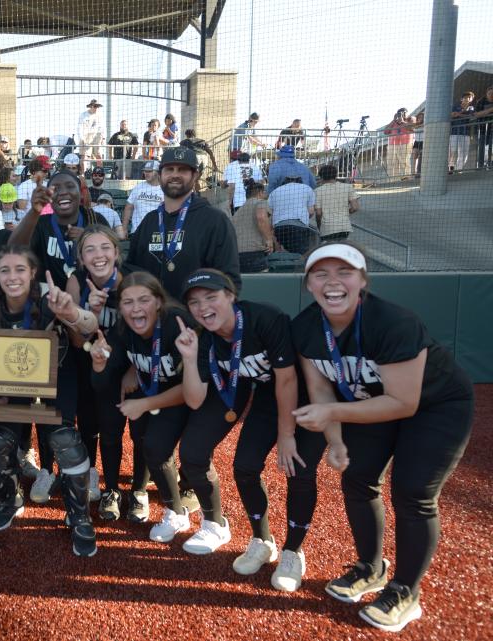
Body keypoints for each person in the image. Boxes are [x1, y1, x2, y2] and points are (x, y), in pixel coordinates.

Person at [291, 242, 473, 632]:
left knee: (413, 493)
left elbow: (404, 404)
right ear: (308, 285)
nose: (333, 282)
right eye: (321, 274)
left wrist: (332, 414)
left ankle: (406, 590)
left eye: (345, 272)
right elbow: (321, 391)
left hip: (435, 405)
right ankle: (370, 567)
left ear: (362, 281)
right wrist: (336, 442)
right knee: (357, 479)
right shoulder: (305, 327)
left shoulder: (393, 322)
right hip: (371, 403)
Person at [175, 268, 329, 591]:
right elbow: (195, 399)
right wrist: (189, 359)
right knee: (244, 466)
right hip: (268, 398)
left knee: (299, 472)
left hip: (307, 397)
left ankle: (293, 551)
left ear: (231, 296)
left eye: (211, 297)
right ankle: (263, 540)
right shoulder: (205, 339)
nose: (203, 308)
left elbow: (288, 379)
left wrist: (287, 435)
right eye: (194, 303)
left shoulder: (264, 318)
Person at [0, 245, 99, 556]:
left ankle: (78, 515)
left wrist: (70, 312)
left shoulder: (52, 298)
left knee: (66, 443)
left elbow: (88, 328)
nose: (12, 276)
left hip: (58, 379)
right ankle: (9, 499)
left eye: (20, 269)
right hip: (15, 384)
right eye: (5, 270)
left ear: (32, 273)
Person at [89, 272, 196, 540]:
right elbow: (102, 383)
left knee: (170, 446)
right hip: (153, 391)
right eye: (127, 302)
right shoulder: (123, 329)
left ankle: (142, 491)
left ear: (159, 302)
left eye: (144, 300)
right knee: (135, 433)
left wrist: (146, 402)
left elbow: (193, 390)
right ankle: (116, 491)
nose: (135, 308)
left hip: (191, 395)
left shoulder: (179, 324)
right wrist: (99, 364)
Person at [62, 225, 141, 519]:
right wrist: (92, 315)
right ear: (81, 258)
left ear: (116, 252)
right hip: (88, 363)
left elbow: (144, 332)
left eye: (105, 247)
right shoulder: (76, 282)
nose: (98, 255)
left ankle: (122, 490)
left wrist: (133, 367)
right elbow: (75, 338)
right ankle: (93, 476)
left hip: (124, 367)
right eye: (90, 249)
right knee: (88, 425)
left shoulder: (130, 282)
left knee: (118, 430)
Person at [126, 147, 241, 299]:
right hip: (154, 318)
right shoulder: (149, 221)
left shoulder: (215, 221)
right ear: (160, 176)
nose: (175, 175)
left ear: (195, 176)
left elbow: (229, 281)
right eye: (169, 169)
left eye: (182, 170)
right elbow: (133, 272)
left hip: (195, 318)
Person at [231, 183, 275, 273]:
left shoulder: (237, 212)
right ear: (260, 192)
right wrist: (269, 240)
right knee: (261, 284)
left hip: (236, 256)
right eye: (264, 192)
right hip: (255, 253)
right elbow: (261, 217)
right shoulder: (260, 202)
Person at [269, 177, 318, 256]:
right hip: (299, 227)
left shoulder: (274, 192)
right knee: (301, 255)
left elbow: (270, 214)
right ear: (300, 182)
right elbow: (311, 211)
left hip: (279, 228)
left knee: (285, 254)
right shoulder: (307, 188)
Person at [314, 165, 359, 242]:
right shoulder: (347, 187)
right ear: (335, 175)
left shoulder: (317, 191)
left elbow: (318, 213)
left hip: (327, 228)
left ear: (321, 177)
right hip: (344, 227)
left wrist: (319, 226)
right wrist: (345, 213)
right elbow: (355, 207)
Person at [123, 160, 163, 235]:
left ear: (158, 172)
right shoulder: (138, 187)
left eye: (149, 171)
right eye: (145, 171)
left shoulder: (164, 189)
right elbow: (128, 207)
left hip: (157, 232)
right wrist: (124, 228)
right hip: (137, 231)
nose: (146, 173)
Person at [384, 109, 415, 179]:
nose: (401, 115)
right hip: (393, 145)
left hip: (406, 143)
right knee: (392, 162)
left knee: (404, 161)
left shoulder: (411, 119)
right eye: (399, 113)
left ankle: (406, 178)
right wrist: (393, 120)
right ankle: (393, 180)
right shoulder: (394, 122)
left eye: (403, 113)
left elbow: (412, 128)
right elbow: (385, 131)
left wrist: (402, 121)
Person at [449, 92, 475, 172]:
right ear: (461, 99)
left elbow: (471, 116)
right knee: (453, 152)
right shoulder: (455, 106)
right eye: (465, 97)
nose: (467, 99)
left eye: (469, 97)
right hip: (454, 133)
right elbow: (452, 115)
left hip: (465, 134)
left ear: (471, 100)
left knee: (463, 154)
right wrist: (462, 112)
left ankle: (458, 170)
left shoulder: (471, 108)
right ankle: (451, 169)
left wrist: (459, 114)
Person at [474, 86, 493, 169]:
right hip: (482, 130)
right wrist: (490, 110)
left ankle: (490, 165)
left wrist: (484, 112)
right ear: (486, 94)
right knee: (481, 149)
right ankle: (481, 167)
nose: (491, 95)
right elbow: (476, 114)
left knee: (491, 149)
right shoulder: (481, 102)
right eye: (490, 93)